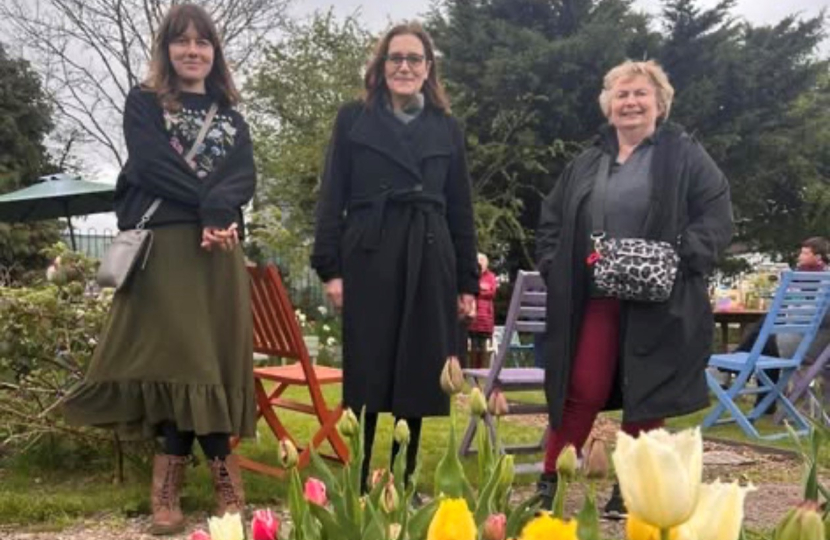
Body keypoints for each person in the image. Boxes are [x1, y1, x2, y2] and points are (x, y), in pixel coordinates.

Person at [63, 4, 256, 535]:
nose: (193, 50)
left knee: (211, 362)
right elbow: (150, 164)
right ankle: (171, 488)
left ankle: (218, 483)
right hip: (168, 246)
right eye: (182, 41)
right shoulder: (143, 102)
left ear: (214, 52)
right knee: (180, 362)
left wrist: (220, 216)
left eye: (202, 42)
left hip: (217, 252)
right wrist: (210, 209)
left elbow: (243, 177)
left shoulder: (232, 117)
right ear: (167, 49)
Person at [535, 60, 733, 517]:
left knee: (647, 388)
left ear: (659, 104)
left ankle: (632, 488)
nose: (631, 102)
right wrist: (554, 265)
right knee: (582, 386)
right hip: (595, 294)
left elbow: (716, 213)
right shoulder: (586, 162)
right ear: (609, 107)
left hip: (658, 294)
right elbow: (552, 220)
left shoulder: (684, 154)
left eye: (641, 93)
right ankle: (551, 479)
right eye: (621, 95)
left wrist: (682, 258)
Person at [311, 22, 479, 495]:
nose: (404, 66)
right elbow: (332, 195)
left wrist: (467, 280)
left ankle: (403, 480)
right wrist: (330, 267)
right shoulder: (352, 119)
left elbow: (461, 207)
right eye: (395, 58)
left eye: (414, 59)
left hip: (430, 254)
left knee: (418, 365)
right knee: (368, 364)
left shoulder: (447, 128)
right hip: (368, 252)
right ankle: (360, 477)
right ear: (380, 67)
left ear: (428, 69)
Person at [732, 236, 830, 412]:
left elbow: (816, 315)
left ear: (819, 257)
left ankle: (737, 370)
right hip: (804, 340)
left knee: (764, 342)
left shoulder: (822, 280)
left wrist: (791, 312)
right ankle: (761, 400)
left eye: (805, 253)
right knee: (765, 334)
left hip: (811, 345)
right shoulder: (803, 276)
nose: (800, 255)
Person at [468, 253, 498, 369]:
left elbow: (492, 292)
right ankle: (472, 374)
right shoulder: (472, 275)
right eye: (478, 260)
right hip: (473, 319)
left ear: (487, 262)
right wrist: (482, 288)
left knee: (485, 348)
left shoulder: (491, 276)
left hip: (486, 320)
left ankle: (483, 374)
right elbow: (471, 290)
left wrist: (478, 289)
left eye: (482, 260)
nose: (480, 262)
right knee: (473, 348)